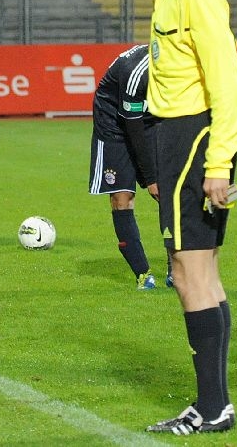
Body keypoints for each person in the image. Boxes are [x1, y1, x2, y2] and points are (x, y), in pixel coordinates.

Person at [102, 0, 237, 435]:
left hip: (192, 138)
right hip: (181, 135)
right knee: (201, 272)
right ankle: (215, 404)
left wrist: (217, 167)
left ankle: (210, 406)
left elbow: (229, 83)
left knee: (189, 272)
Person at [89, 44, 171, 290]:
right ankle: (143, 275)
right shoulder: (136, 71)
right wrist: (150, 178)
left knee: (169, 195)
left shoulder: (186, 67)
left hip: (153, 119)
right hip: (114, 123)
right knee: (122, 198)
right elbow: (133, 127)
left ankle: (175, 269)